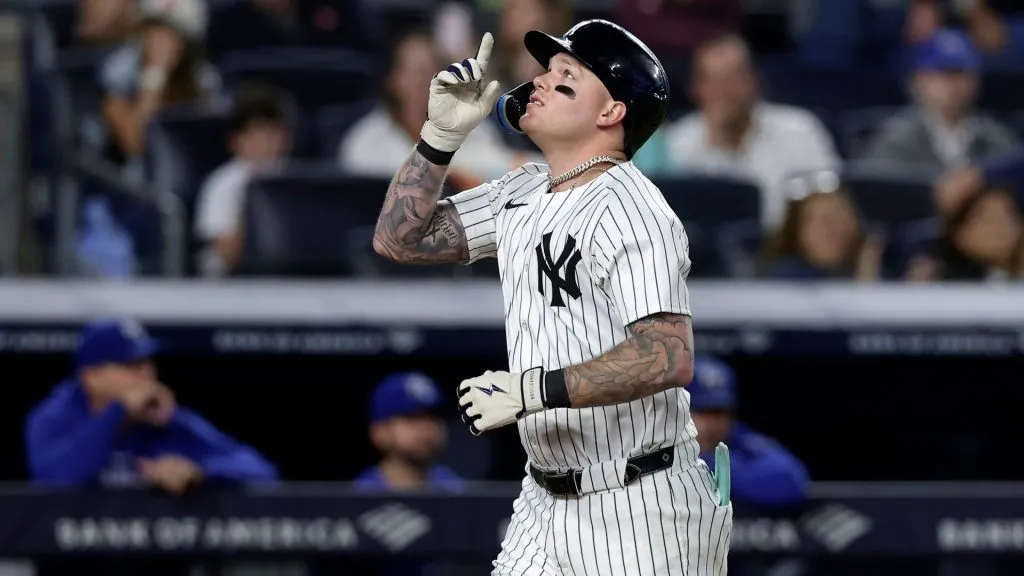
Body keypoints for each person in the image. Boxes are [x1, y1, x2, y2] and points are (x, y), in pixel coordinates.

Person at [371, 20, 731, 576]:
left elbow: (668, 355)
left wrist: (532, 391)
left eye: (566, 77)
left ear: (611, 112)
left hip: (642, 502)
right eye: (546, 70)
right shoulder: (521, 189)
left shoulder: (634, 208)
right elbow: (398, 239)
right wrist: (439, 137)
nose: (539, 81)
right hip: (543, 501)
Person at [24, 318, 278, 491]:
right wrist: (118, 412)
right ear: (91, 376)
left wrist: (199, 472)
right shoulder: (54, 418)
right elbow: (54, 479)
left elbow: (261, 472)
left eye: (148, 362)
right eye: (131, 365)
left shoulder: (164, 419)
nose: (147, 373)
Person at [194, 84, 293, 277]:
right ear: (235, 141)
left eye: (272, 133)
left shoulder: (296, 178)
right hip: (231, 280)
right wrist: (254, 208)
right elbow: (227, 254)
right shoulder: (221, 184)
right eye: (255, 134)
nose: (265, 143)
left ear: (288, 138)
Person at [688, 356, 809, 508]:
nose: (714, 423)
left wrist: (713, 466)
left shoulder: (737, 440)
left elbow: (792, 478)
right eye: (703, 411)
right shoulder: (661, 444)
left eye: (720, 412)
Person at [354, 372, 464, 491]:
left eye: (433, 417)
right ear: (379, 431)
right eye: (412, 417)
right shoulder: (361, 492)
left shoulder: (454, 488)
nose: (426, 427)